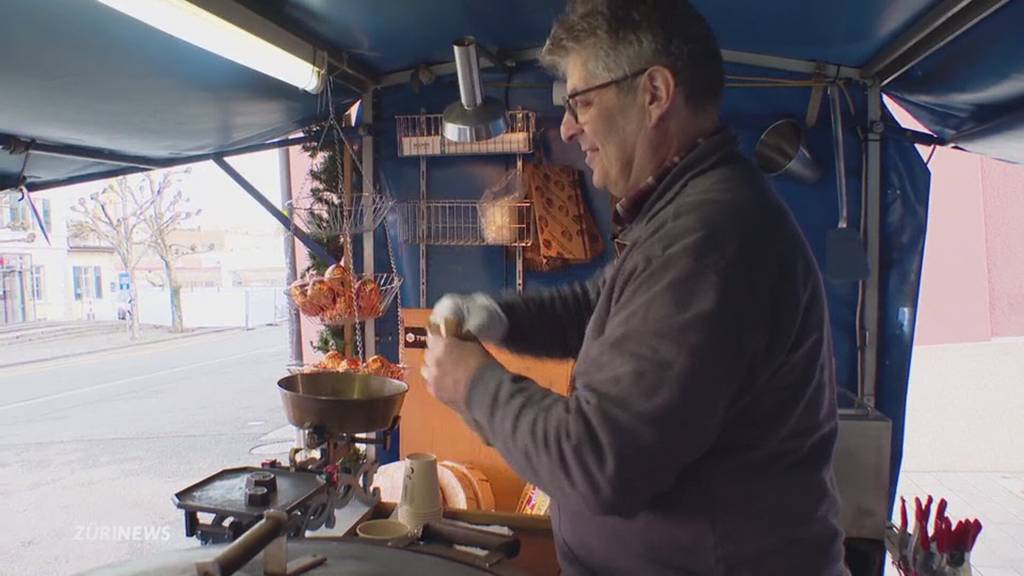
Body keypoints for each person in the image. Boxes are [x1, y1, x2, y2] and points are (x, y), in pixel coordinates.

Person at [421, 0, 846, 573]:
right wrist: (499, 316)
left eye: (582, 102)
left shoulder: (709, 240)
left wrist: (474, 386)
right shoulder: (684, 210)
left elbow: (599, 461)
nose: (569, 127)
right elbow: (604, 303)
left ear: (653, 94)